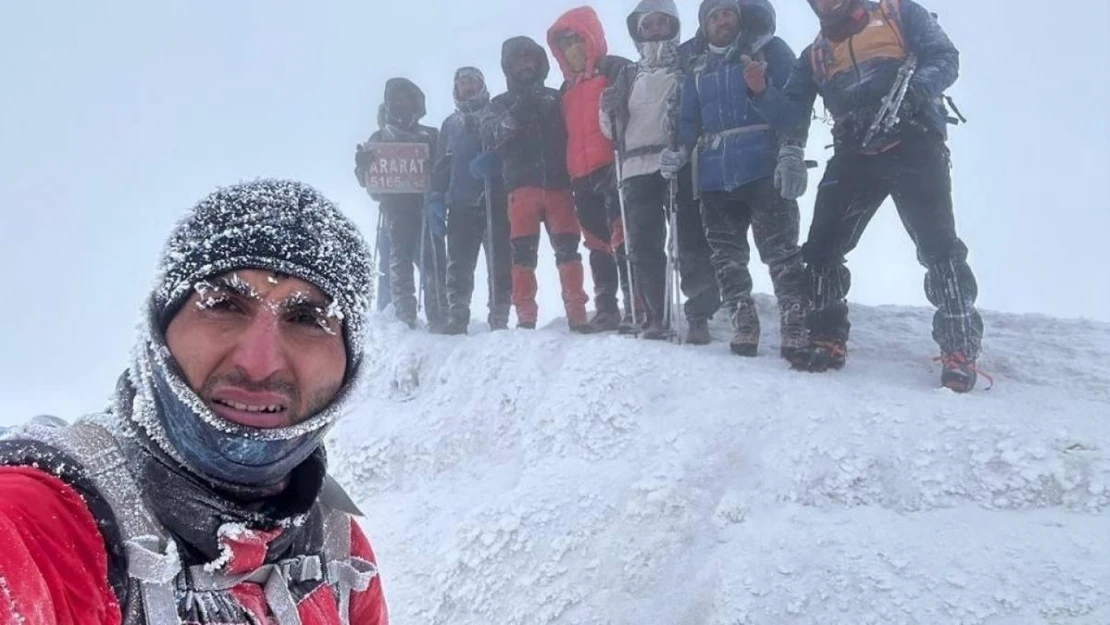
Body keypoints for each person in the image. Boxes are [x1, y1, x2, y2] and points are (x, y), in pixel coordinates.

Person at [0, 180, 388, 624]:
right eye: (223, 304)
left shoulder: (336, 548)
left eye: (306, 318)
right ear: (159, 333)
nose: (259, 364)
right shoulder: (44, 522)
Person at [745, 0, 985, 391]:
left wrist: (915, 93)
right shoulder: (816, 54)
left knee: (939, 247)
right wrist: (759, 92)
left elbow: (945, 58)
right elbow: (792, 113)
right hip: (853, 152)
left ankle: (959, 349)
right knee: (821, 248)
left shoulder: (899, 13)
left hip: (915, 141)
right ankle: (827, 335)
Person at [662, 0, 811, 362]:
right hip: (713, 175)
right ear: (704, 25)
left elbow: (796, 105)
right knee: (726, 257)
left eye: (728, 13)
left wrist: (790, 149)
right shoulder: (697, 67)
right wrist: (680, 151)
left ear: (740, 17)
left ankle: (795, 321)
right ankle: (744, 319)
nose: (722, 21)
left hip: (763, 166)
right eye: (714, 16)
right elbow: (688, 118)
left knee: (780, 251)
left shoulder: (769, 51)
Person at [600, 0, 723, 343]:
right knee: (643, 244)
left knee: (689, 239)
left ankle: (699, 314)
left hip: (678, 160)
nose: (654, 29)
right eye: (647, 24)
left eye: (660, 22)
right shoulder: (627, 75)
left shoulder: (688, 65)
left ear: (673, 26)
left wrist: (686, 147)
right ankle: (656, 313)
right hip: (635, 166)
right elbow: (612, 131)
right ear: (637, 30)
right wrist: (605, 110)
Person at [479, 36, 595, 334]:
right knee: (522, 255)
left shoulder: (557, 97)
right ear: (508, 67)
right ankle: (526, 317)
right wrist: (519, 110)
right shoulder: (499, 104)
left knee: (569, 250)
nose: (525, 65)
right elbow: (492, 136)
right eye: (518, 61)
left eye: (530, 59)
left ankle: (577, 313)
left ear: (540, 62)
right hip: (521, 190)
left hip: (559, 186)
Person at [547, 7, 637, 332]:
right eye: (566, 44)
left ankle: (638, 305)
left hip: (614, 165)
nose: (573, 49)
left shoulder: (616, 69)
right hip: (580, 176)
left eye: (577, 41)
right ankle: (607, 309)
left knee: (624, 237)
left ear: (591, 39)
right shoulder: (565, 91)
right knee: (597, 243)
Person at [355, 78, 448, 332]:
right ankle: (403, 316)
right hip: (395, 208)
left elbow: (442, 170)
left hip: (426, 208)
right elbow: (370, 183)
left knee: (433, 260)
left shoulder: (430, 136)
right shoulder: (379, 137)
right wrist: (362, 166)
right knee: (399, 261)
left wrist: (439, 194)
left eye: (408, 99)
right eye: (397, 100)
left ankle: (439, 315)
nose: (403, 105)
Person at [428, 67, 513, 335]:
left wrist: (497, 163)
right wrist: (436, 197)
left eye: (471, 82)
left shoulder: (496, 112)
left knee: (499, 262)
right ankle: (458, 315)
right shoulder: (450, 125)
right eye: (462, 83)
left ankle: (499, 316)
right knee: (459, 265)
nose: (466, 87)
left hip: (493, 199)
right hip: (460, 203)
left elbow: (511, 148)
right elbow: (441, 165)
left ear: (481, 85)